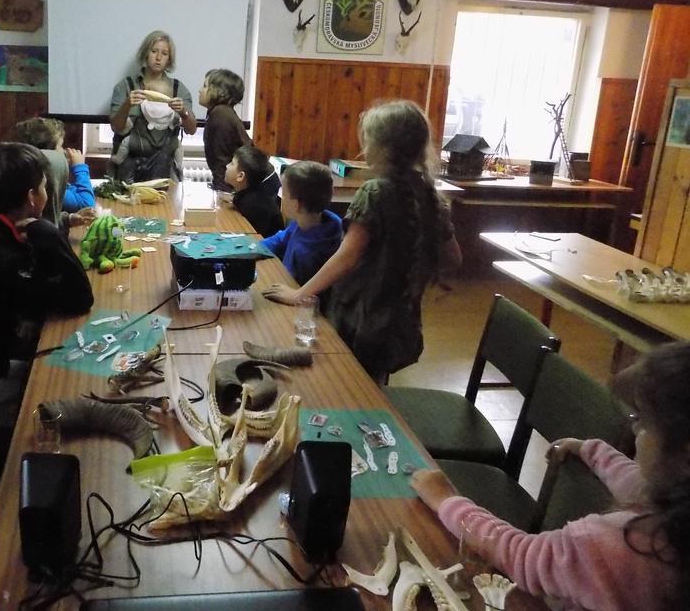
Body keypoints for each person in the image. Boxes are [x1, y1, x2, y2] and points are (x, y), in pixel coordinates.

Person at [411, 342, 689, 611]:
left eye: (642, 423)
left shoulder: (610, 547)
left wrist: (446, 499)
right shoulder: (675, 510)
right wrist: (593, 451)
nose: (636, 434)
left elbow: (518, 554)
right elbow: (639, 486)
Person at [263, 100, 460, 382]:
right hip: (401, 322)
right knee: (373, 383)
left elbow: (347, 256)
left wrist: (299, 294)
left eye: (367, 142)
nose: (363, 150)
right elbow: (453, 257)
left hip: (362, 319)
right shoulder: (428, 194)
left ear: (384, 147)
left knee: (351, 385)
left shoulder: (375, 191)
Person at [0, 142, 93, 430]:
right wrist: (50, 234)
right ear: (31, 197)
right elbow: (80, 298)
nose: (46, 193)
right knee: (67, 393)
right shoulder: (1, 256)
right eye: (43, 186)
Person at [108, 30, 197, 182]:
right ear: (145, 54)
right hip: (129, 168)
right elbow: (116, 127)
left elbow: (192, 129)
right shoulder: (126, 86)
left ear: (169, 59)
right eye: (154, 51)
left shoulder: (178, 89)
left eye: (164, 53)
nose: (158, 58)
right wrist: (127, 104)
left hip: (165, 169)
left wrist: (183, 111)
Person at [260, 160, 343, 287]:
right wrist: (254, 248)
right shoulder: (314, 222)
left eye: (284, 193)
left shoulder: (306, 255)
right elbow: (281, 238)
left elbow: (293, 289)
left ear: (295, 205)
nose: (281, 196)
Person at [15, 117, 96, 228]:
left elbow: (46, 219)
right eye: (60, 146)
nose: (63, 151)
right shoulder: (42, 185)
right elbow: (85, 203)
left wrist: (68, 219)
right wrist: (80, 167)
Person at [199, 68, 251, 192]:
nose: (200, 90)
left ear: (219, 92)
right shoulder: (222, 112)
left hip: (236, 187)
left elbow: (221, 162)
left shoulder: (220, 115)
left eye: (205, 86)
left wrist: (221, 196)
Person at [225, 144, 284, 237]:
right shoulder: (250, 195)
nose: (227, 166)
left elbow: (253, 237)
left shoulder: (253, 204)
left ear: (240, 176)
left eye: (232, 163)